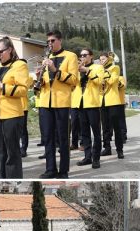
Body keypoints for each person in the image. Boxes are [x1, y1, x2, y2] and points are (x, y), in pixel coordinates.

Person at [0, 36, 29, 179]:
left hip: (12, 114)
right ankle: (1, 178)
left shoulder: (19, 65)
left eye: (0, 52)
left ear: (10, 49)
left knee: (12, 152)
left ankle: (13, 178)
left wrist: (0, 85)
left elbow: (22, 90)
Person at [37, 30, 79, 179]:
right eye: (48, 41)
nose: (50, 43)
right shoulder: (46, 57)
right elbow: (44, 83)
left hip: (61, 101)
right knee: (47, 137)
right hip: (45, 102)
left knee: (62, 138)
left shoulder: (71, 56)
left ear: (60, 41)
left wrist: (55, 70)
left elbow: (74, 80)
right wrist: (39, 77)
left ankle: (63, 171)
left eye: (52, 41)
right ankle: (50, 169)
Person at [73, 47, 105, 169]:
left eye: (85, 55)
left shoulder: (98, 67)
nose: (82, 57)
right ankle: (87, 157)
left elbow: (100, 81)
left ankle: (96, 158)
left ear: (91, 56)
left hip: (92, 104)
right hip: (80, 104)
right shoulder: (77, 69)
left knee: (96, 133)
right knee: (84, 133)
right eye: (80, 55)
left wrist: (86, 70)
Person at [100, 52, 124, 159]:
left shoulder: (115, 68)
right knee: (105, 126)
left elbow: (112, 80)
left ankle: (120, 150)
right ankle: (107, 148)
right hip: (101, 101)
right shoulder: (100, 69)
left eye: (103, 59)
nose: (101, 61)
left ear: (109, 59)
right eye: (100, 59)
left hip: (113, 101)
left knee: (116, 127)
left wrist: (103, 73)